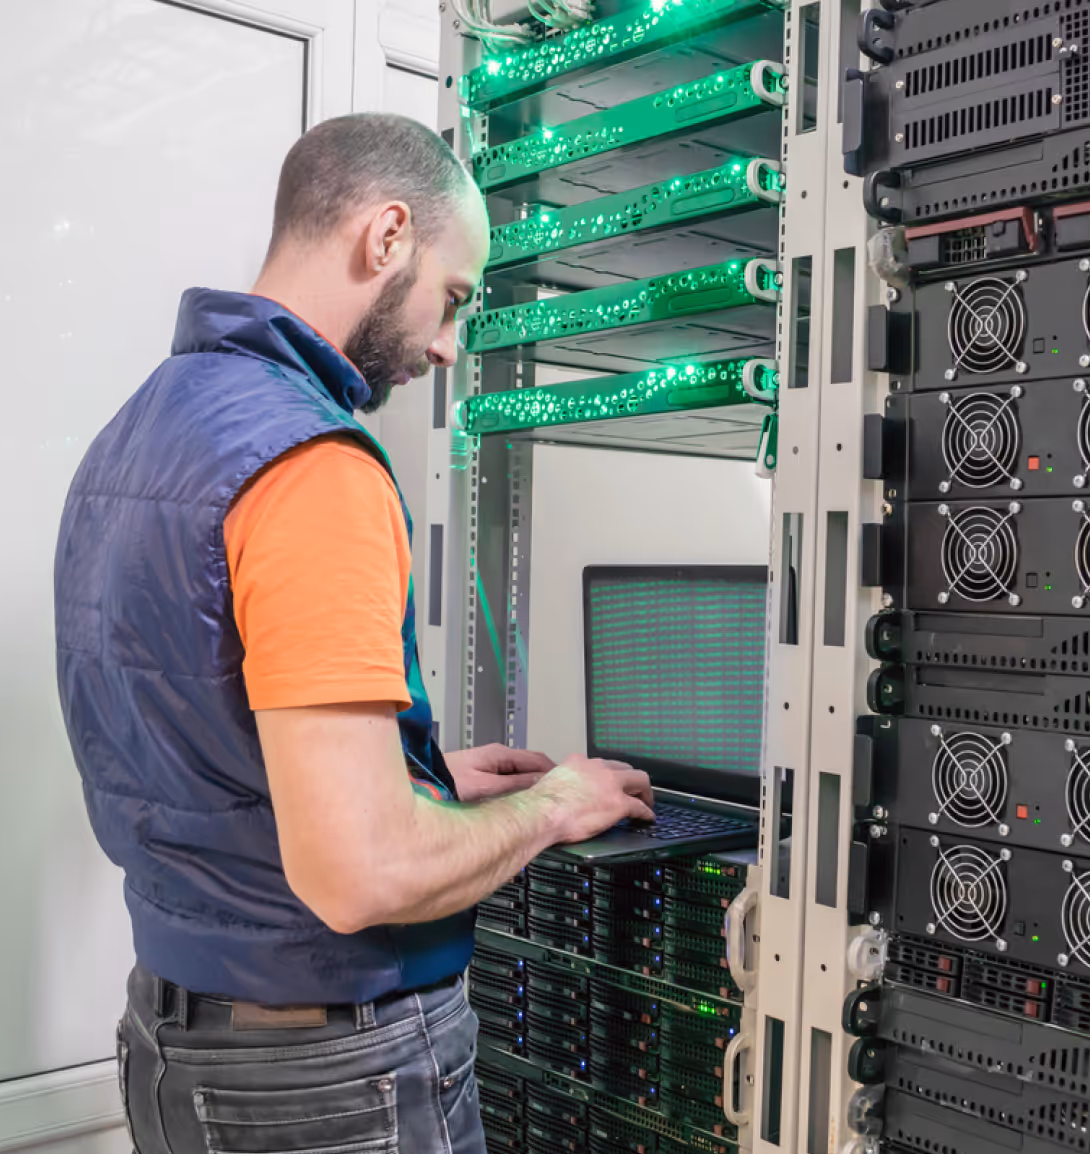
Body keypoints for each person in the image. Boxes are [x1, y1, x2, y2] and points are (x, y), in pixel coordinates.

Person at [53, 112, 655, 1154]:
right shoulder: (312, 465)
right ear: (385, 237)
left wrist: (413, 773)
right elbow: (360, 873)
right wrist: (554, 804)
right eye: (453, 297)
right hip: (326, 1081)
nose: (446, 344)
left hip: (176, 1046)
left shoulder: (138, 431)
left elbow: (198, 739)